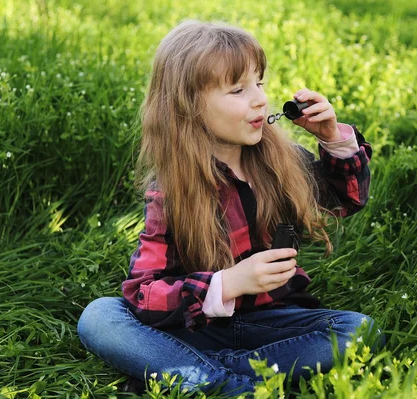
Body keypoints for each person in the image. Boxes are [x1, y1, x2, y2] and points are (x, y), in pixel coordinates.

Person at [77, 19, 384, 397]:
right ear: (188, 106)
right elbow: (143, 293)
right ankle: (231, 384)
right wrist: (228, 283)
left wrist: (334, 140)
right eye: (238, 89)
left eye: (259, 83)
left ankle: (193, 376)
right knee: (99, 317)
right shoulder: (171, 191)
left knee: (359, 329)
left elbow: (347, 198)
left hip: (271, 321)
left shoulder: (281, 160)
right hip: (195, 327)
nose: (259, 99)